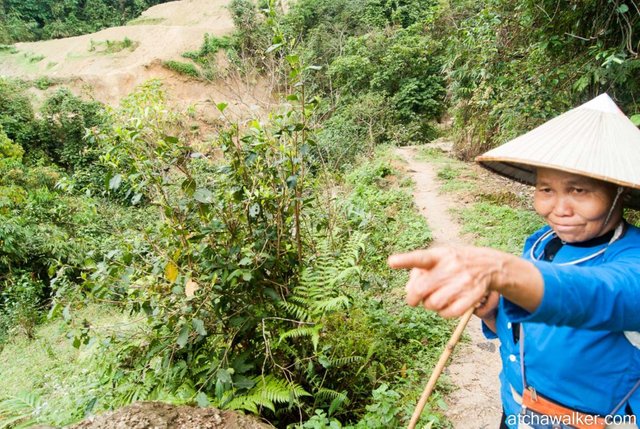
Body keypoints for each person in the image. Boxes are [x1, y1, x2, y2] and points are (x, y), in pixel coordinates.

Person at [388, 93, 640, 429]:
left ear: (617, 192)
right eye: (546, 190)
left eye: (579, 191)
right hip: (517, 415)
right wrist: (492, 312)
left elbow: (604, 294)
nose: (559, 209)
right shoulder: (540, 245)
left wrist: (500, 269)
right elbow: (521, 336)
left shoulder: (630, 257)